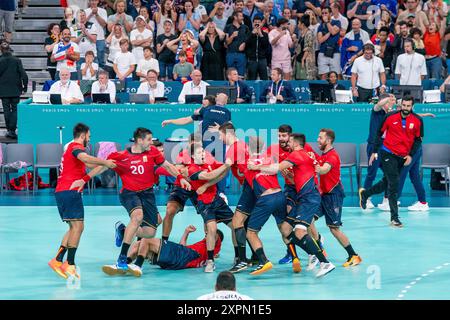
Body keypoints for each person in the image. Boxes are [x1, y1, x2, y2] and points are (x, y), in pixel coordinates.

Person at [98, 127, 191, 275]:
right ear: (139, 140)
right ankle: (122, 259)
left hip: (147, 194)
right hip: (129, 193)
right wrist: (84, 179)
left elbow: (167, 165)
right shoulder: (120, 155)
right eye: (148, 139)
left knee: (149, 233)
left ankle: (122, 230)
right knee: (137, 217)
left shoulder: (153, 152)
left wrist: (180, 178)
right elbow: (102, 167)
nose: (151, 142)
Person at [249, 133, 336, 278]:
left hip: (309, 199)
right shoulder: (307, 155)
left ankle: (324, 262)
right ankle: (312, 251)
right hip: (301, 198)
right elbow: (305, 175)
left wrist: (256, 166)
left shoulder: (297, 155)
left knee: (300, 232)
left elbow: (275, 168)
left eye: (289, 141)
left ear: (295, 144)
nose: (286, 143)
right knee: (285, 228)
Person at [48, 123, 117, 280]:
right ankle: (69, 263)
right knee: (78, 226)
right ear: (83, 135)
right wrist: (105, 162)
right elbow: (85, 158)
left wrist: (106, 163)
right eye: (89, 137)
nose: (89, 139)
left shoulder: (73, 150)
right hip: (69, 190)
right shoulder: (75, 147)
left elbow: (90, 164)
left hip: (64, 191)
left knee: (73, 227)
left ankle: (57, 260)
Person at [359, 96, 424, 228]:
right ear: (401, 105)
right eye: (404, 105)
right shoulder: (390, 116)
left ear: (412, 106)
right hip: (388, 153)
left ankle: (365, 194)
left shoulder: (418, 120)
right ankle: (395, 218)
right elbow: (379, 133)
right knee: (394, 183)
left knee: (387, 181)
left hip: (403, 156)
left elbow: (418, 140)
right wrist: (375, 152)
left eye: (408, 106)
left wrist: (411, 155)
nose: (405, 108)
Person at [309, 129, 362, 270]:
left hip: (334, 195)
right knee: (308, 220)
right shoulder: (323, 154)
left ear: (328, 140)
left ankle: (354, 255)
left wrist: (309, 166)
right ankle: (319, 244)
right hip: (323, 195)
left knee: (334, 229)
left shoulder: (332, 156)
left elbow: (323, 170)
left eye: (320, 138)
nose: (317, 140)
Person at [184, 143, 235, 272]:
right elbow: (209, 176)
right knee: (212, 229)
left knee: (236, 226)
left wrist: (207, 186)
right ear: (192, 155)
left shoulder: (209, 162)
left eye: (203, 152)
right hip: (204, 203)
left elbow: (223, 174)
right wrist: (225, 165)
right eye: (199, 153)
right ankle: (210, 261)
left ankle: (238, 258)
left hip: (217, 200)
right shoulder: (192, 169)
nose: (202, 155)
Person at [243, 137, 288, 275]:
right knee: (285, 230)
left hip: (266, 199)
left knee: (251, 232)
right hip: (280, 196)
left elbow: (243, 176)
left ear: (248, 148)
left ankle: (264, 261)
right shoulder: (270, 158)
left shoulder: (248, 163)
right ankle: (301, 255)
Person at [120, 225, 224, 274]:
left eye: (209, 234)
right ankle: (126, 264)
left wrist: (210, 224)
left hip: (183, 255)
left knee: (146, 240)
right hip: (180, 260)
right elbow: (182, 247)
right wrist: (186, 232)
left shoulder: (215, 246)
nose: (207, 234)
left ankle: (137, 265)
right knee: (138, 244)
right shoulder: (203, 249)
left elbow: (213, 232)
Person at [363, 93, 397, 209]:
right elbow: (379, 104)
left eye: (391, 102)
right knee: (372, 173)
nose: (390, 103)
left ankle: (386, 200)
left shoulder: (391, 114)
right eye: (388, 102)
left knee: (389, 173)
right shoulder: (376, 111)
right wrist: (389, 98)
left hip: (387, 147)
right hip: (374, 147)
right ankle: (365, 198)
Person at [0, 41, 28, 140]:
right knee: (15, 110)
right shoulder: (17, 60)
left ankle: (10, 130)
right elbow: (23, 74)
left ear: (1, 50)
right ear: (9, 49)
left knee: (6, 110)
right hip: (15, 89)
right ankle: (12, 130)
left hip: (3, 90)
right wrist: (25, 87)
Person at [317, 6, 341, 80]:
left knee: (337, 74)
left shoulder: (337, 22)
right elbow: (320, 40)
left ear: (330, 13)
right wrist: (329, 34)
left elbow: (333, 32)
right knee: (323, 75)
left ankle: (338, 90)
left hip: (335, 52)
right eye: (323, 13)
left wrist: (327, 22)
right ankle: (323, 90)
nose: (324, 15)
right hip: (323, 51)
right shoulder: (320, 25)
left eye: (326, 13)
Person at [224, 11, 250, 78]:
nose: (242, 18)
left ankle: (240, 88)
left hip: (241, 54)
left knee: (241, 76)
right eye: (241, 16)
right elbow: (226, 43)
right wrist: (232, 36)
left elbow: (249, 40)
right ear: (235, 17)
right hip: (230, 54)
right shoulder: (228, 27)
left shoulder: (245, 28)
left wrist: (244, 43)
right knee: (230, 75)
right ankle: (231, 88)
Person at [245, 15, 270, 81]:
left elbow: (266, 46)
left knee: (264, 79)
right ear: (253, 23)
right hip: (252, 60)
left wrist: (260, 34)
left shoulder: (265, 34)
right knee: (251, 79)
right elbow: (246, 44)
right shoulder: (249, 33)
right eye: (255, 22)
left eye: (259, 22)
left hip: (262, 60)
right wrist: (252, 34)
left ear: (261, 23)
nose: (257, 23)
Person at [85, 0, 108, 69]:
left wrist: (96, 14)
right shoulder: (85, 11)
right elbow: (83, 23)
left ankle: (101, 77)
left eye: (95, 0)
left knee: (101, 61)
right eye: (91, 0)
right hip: (89, 38)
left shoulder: (103, 11)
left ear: (98, 1)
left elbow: (104, 24)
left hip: (100, 38)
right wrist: (91, 14)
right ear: (89, 1)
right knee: (90, 60)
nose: (93, 2)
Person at [295, 14, 317, 80]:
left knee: (305, 79)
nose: (297, 24)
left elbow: (308, 47)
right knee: (299, 79)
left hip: (306, 61)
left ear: (303, 24)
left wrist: (303, 59)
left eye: (299, 23)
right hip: (299, 59)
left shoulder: (309, 33)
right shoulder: (301, 33)